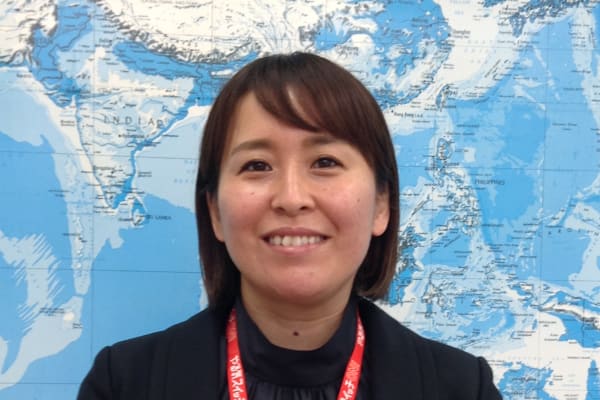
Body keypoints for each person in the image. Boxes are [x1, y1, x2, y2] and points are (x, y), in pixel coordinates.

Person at [78, 52, 503, 399]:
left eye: (325, 162)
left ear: (381, 205)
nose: (291, 197)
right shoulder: (125, 384)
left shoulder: (462, 389)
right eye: (257, 165)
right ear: (214, 212)